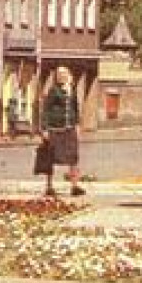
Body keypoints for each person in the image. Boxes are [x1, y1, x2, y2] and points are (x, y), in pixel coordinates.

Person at [40, 66, 85, 197]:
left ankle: (75, 186)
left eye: (64, 74)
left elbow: (75, 108)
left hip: (69, 128)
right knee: (50, 158)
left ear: (68, 75)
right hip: (55, 128)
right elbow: (46, 110)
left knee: (73, 157)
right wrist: (44, 128)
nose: (61, 76)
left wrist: (77, 124)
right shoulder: (53, 90)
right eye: (59, 74)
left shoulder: (72, 90)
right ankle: (49, 187)